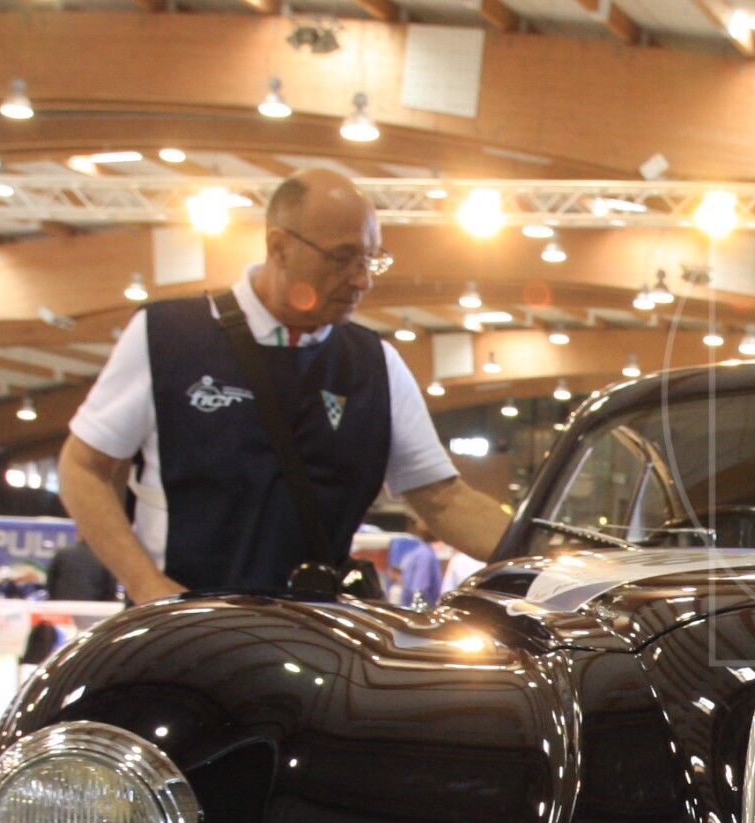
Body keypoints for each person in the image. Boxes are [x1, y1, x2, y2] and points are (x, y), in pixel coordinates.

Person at [57, 167, 515, 603]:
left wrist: (543, 557)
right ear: (279, 247)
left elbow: (444, 500)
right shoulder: (169, 337)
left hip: (314, 638)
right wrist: (147, 586)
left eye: (370, 259)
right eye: (342, 258)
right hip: (185, 633)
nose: (362, 279)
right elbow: (83, 468)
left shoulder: (375, 364)